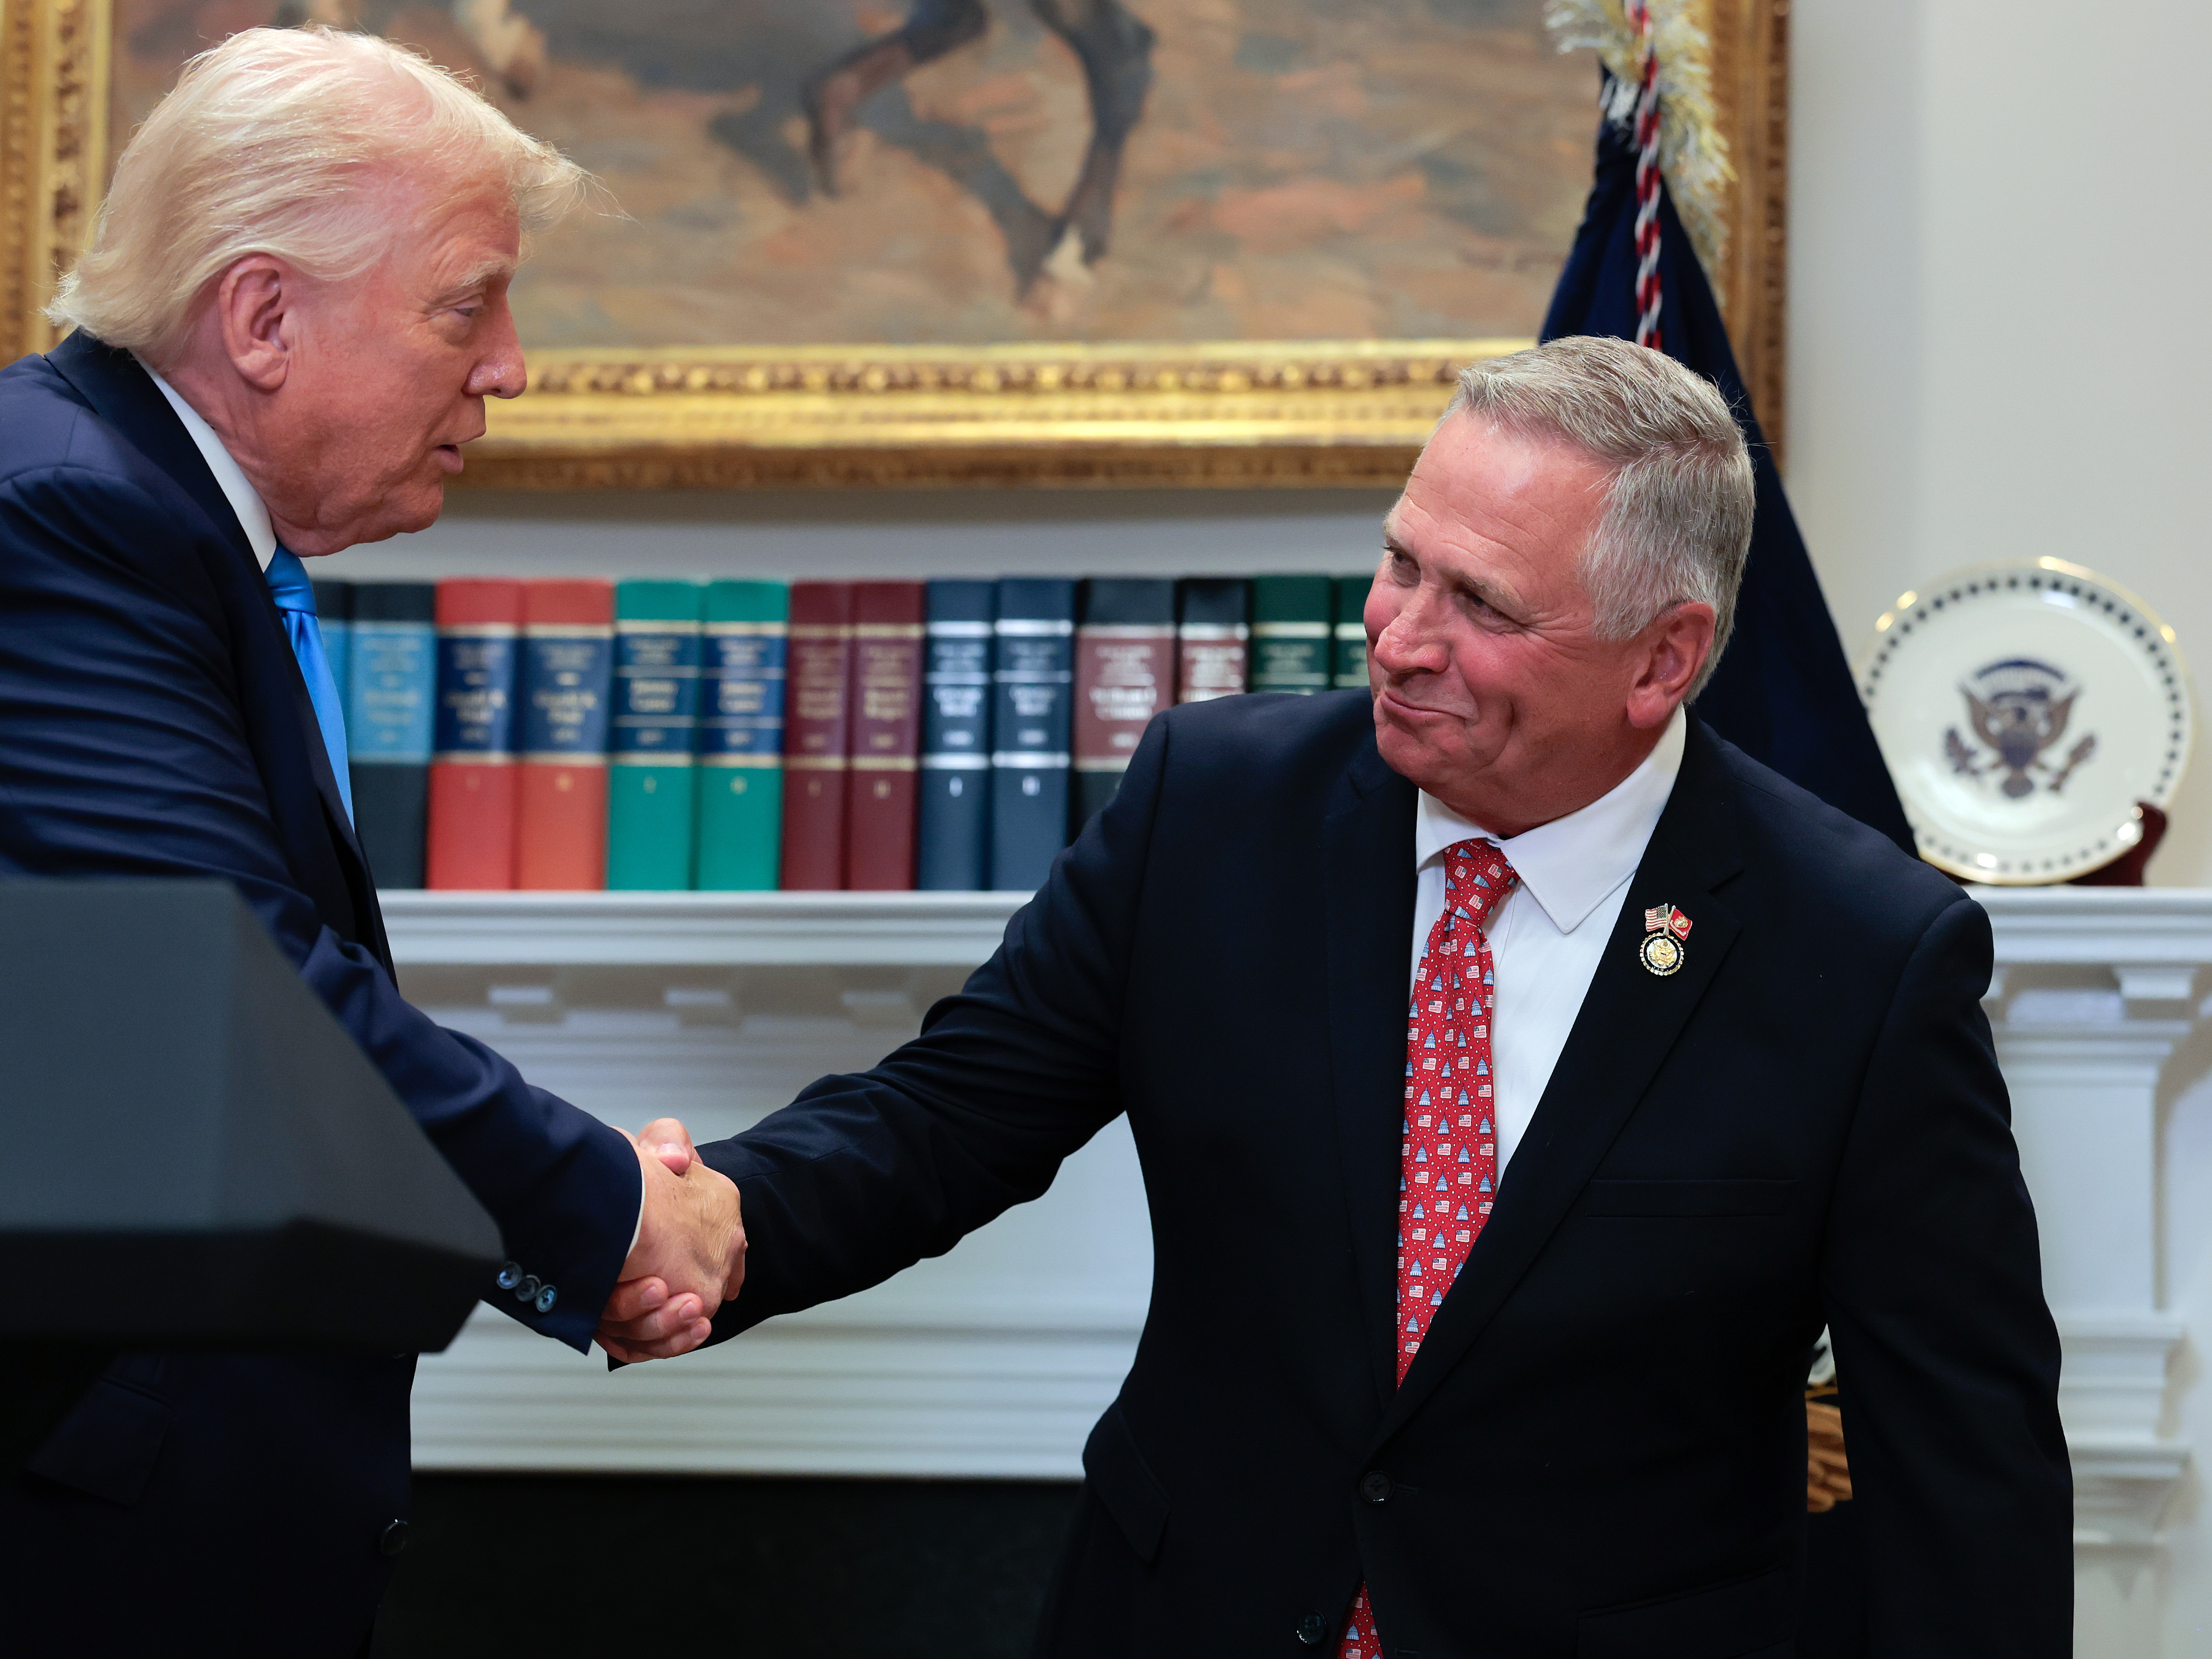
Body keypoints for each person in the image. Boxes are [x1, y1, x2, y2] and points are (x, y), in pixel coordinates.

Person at [602, 337, 2074, 1654]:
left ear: (1661, 659)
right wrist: (710, 1219)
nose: (1399, 634)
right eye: (1401, 561)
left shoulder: (1860, 951)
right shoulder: (1209, 807)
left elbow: (1964, 1454)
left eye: (1479, 602)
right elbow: (943, 1117)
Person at [0, 28, 740, 1656]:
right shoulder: (61, 513)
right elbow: (239, 998)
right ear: (263, 318)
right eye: (468, 306)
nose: (510, 367)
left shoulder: (160, 518)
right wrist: (612, 1209)